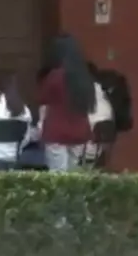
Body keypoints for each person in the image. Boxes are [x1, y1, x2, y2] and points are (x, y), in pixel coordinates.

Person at [38, 34, 95, 171]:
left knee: (58, 175)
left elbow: (43, 101)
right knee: (74, 175)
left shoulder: (55, 76)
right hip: (80, 132)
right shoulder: (85, 77)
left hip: (56, 132)